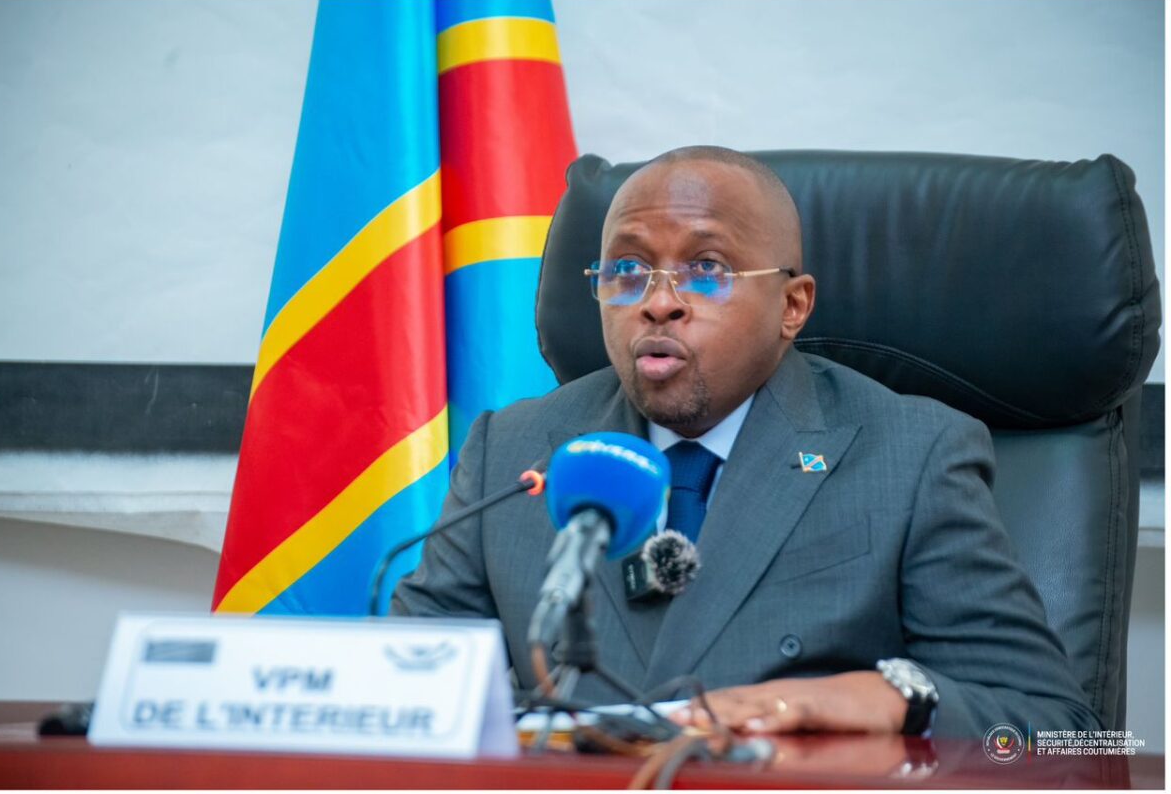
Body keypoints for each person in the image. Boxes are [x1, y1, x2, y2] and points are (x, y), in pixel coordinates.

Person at [392, 146, 1101, 737]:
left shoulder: (911, 455)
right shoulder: (514, 449)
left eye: (706, 270)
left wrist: (894, 699)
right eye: (627, 271)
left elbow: (1060, 727)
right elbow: (402, 693)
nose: (658, 302)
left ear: (792, 306)